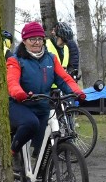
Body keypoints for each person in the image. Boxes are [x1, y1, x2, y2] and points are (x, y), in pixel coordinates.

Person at [7, 22, 85, 168]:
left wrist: (77, 92)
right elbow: (12, 82)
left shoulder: (50, 59)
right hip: (20, 105)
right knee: (31, 123)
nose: (37, 42)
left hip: (42, 106)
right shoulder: (16, 60)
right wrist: (19, 93)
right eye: (32, 39)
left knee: (43, 147)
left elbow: (64, 79)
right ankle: (12, 152)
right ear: (24, 41)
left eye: (39, 38)